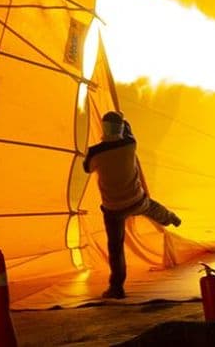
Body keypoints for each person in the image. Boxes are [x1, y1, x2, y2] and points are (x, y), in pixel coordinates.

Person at [83, 111, 181, 299]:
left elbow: (87, 168)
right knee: (151, 207)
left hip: (113, 208)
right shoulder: (130, 144)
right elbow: (128, 130)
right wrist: (124, 118)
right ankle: (171, 218)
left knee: (115, 248)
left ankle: (116, 288)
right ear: (121, 128)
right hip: (136, 200)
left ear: (103, 127)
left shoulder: (95, 152)